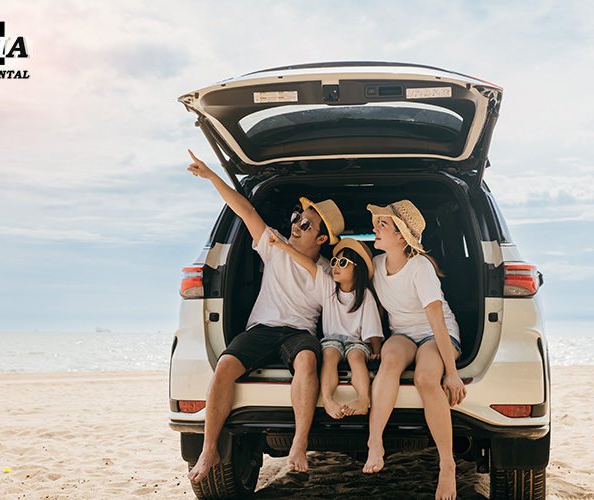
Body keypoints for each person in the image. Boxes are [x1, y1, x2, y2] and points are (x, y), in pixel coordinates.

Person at [185, 149, 345, 479]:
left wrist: (284, 247)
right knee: (225, 366)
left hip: (299, 333)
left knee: (306, 361)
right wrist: (212, 175)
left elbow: (314, 273)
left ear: (321, 238)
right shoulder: (274, 245)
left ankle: (299, 444)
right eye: (296, 217)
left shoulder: (329, 271)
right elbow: (243, 210)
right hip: (262, 328)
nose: (295, 224)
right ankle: (210, 449)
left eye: (305, 222)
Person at [362, 200, 466, 500]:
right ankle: (375, 442)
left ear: (401, 237)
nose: (374, 228)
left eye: (383, 224)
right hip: (403, 334)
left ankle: (447, 465)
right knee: (390, 361)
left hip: (437, 333)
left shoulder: (420, 268)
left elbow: (437, 323)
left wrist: (453, 373)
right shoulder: (377, 265)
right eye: (377, 223)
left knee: (425, 378)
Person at [267, 232, 383, 419]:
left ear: (357, 269)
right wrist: (284, 246)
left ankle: (363, 398)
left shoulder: (365, 296)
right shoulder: (329, 287)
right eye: (335, 261)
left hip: (356, 342)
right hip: (332, 341)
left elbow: (372, 329)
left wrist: (376, 350)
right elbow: (310, 266)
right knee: (329, 354)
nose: (336, 265)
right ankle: (327, 399)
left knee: (356, 357)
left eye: (343, 263)